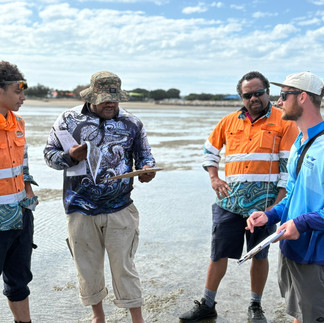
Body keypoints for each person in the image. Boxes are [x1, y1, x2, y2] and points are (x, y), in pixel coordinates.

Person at [179, 71, 299, 322]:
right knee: (218, 253)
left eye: (258, 92)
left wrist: (276, 206)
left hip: (265, 206)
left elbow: (287, 169)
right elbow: (209, 152)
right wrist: (214, 178)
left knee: (259, 254)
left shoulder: (284, 121)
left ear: (268, 92)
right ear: (241, 96)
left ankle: (255, 306)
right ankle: (208, 304)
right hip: (229, 203)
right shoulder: (228, 121)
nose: (253, 98)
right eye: (248, 95)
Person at [43, 71, 156, 323]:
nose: (110, 104)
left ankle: (137, 319)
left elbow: (145, 155)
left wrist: (147, 169)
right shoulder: (68, 119)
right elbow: (49, 154)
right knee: (87, 268)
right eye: (104, 99)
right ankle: (98, 317)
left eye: (114, 99)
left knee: (125, 268)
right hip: (79, 208)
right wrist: (70, 156)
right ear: (92, 96)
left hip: (120, 208)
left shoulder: (132, 123)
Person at [246, 72, 324, 323]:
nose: (277, 102)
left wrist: (301, 223)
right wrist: (269, 215)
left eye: (283, 96)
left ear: (302, 97)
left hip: (316, 255)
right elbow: (292, 194)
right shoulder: (300, 142)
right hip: (291, 248)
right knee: (300, 314)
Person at [0, 61, 38, 323]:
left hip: (20, 215)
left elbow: (23, 166)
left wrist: (28, 201)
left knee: (19, 279)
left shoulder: (19, 123)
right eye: (17, 91)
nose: (23, 98)